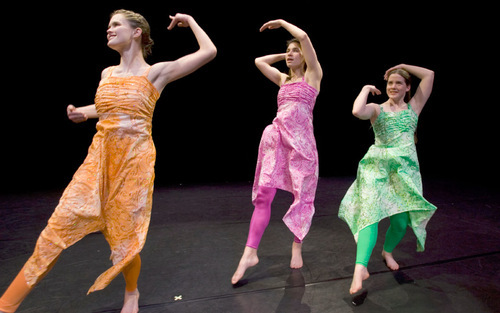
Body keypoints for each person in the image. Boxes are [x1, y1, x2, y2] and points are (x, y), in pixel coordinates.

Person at [0, 10, 216, 313]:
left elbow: (209, 52)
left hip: (133, 163)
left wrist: (190, 21)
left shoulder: (156, 72)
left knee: (125, 234)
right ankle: (6, 305)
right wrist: (84, 113)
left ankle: (131, 293)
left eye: (116, 25)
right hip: (99, 160)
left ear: (137, 32)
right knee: (56, 228)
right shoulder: (107, 74)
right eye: (109, 25)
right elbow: (110, 108)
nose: (109, 30)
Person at [231, 19, 322, 285]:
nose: (291, 54)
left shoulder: (314, 76)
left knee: (302, 196)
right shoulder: (282, 79)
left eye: (296, 51)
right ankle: (250, 253)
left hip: (302, 144)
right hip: (276, 139)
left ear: (306, 56)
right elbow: (260, 61)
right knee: (263, 195)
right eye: (289, 51)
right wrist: (286, 54)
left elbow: (304, 35)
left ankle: (297, 244)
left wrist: (283, 24)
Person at [338, 64, 437, 294]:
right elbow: (356, 111)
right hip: (377, 169)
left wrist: (402, 66)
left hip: (404, 173)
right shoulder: (376, 109)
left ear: (407, 87)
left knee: (401, 224)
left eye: (398, 83)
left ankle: (387, 251)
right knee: (369, 216)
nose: (393, 86)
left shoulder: (414, 107)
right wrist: (364, 88)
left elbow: (430, 75)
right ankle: (359, 269)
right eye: (390, 82)